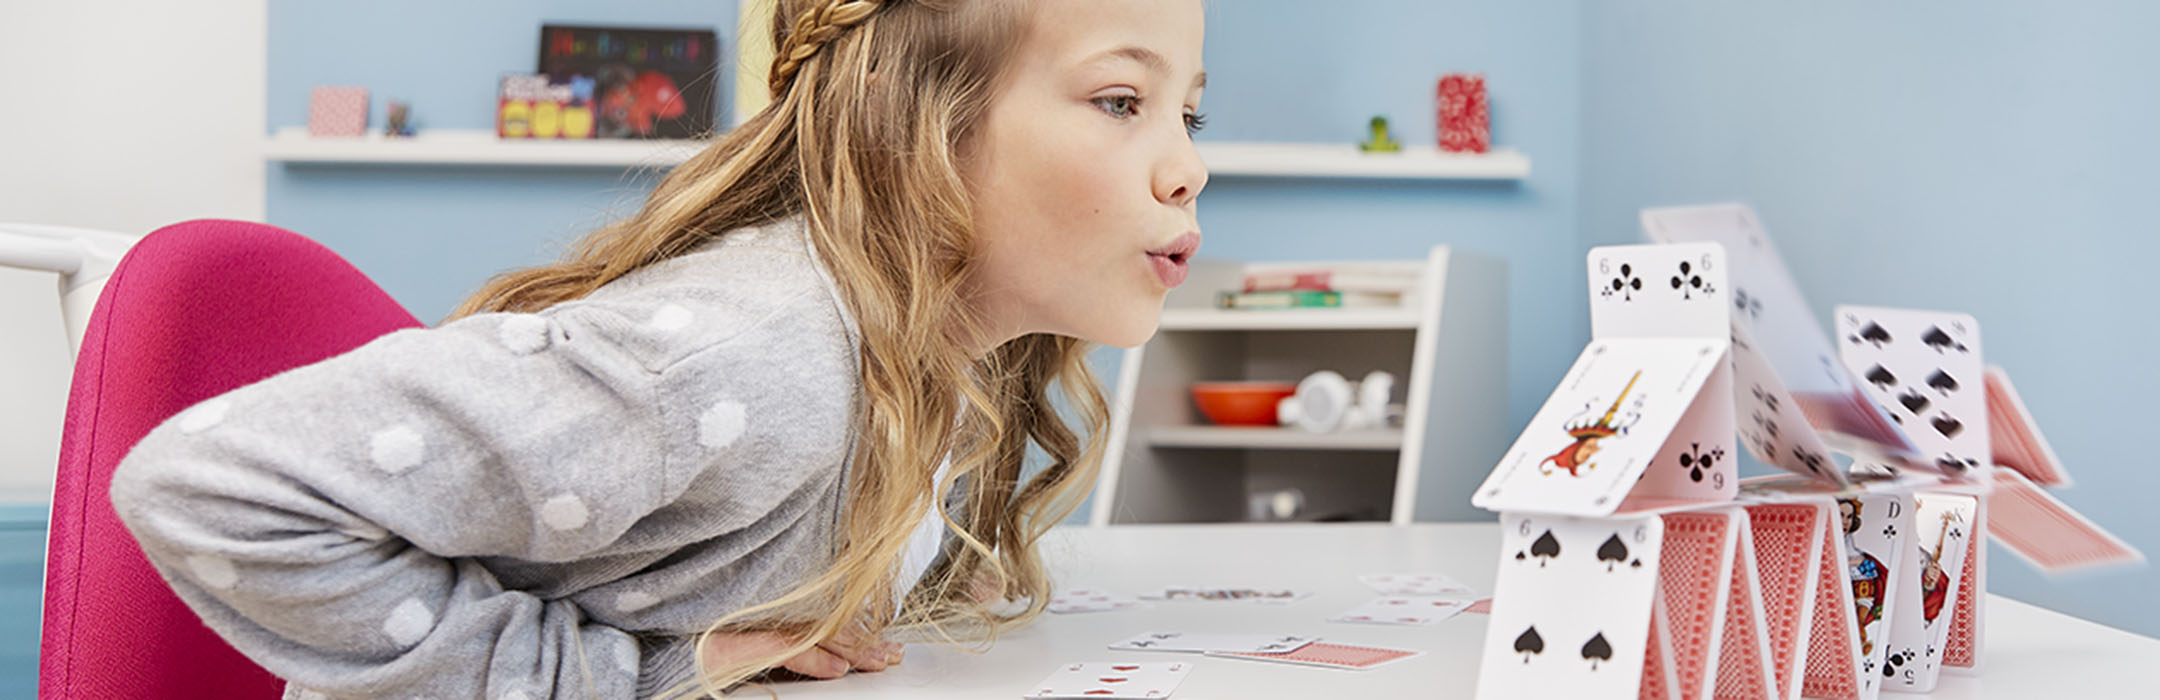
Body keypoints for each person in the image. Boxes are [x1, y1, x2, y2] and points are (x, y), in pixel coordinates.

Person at [108, 0, 1208, 696]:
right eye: (1121, 100)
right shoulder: (752, 358)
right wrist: (619, 676)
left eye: (1188, 115)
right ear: (904, 121)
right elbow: (208, 484)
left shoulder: (945, 358)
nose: (1188, 168)